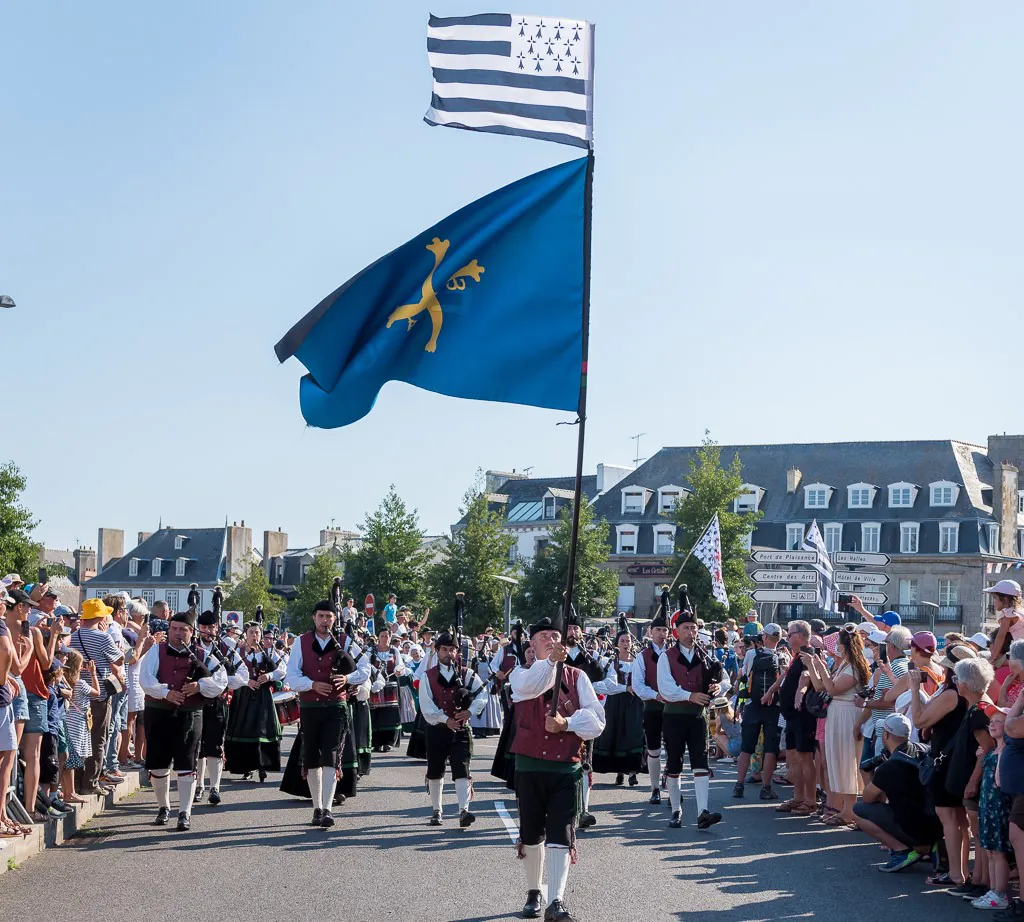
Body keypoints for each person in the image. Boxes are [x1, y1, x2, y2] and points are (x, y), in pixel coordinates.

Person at [509, 615, 605, 922]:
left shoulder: (578, 677)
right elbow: (535, 685)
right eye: (544, 637)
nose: (551, 640)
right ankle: (534, 892)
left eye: (555, 636)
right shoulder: (520, 675)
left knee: (561, 833)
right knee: (531, 832)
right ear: (532, 644)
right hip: (530, 766)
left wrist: (567, 723)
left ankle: (556, 901)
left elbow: (596, 721)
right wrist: (551, 662)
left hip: (565, 768)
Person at [139, 609, 227, 831]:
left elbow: (220, 681)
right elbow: (145, 679)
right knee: (158, 765)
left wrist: (200, 686)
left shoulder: (203, 654)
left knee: (186, 765)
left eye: (183, 630)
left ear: (191, 632)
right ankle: (163, 807)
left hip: (190, 715)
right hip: (158, 712)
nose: (177, 633)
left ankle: (184, 812)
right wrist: (165, 692)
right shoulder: (155, 652)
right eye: (174, 629)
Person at [283, 601, 367, 828]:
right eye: (321, 616)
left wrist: (348, 679)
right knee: (311, 759)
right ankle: (317, 808)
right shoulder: (301, 643)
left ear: (334, 619)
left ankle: (328, 809)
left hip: (336, 707)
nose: (325, 620)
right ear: (314, 618)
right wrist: (311, 684)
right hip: (310, 708)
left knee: (330, 757)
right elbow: (290, 677)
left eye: (329, 616)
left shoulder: (345, 641)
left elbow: (366, 669)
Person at [657, 590, 726, 830]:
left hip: (698, 718)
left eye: (694, 628)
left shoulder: (706, 656)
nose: (691, 633)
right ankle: (676, 810)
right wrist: (690, 695)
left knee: (700, 763)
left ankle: (702, 812)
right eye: (686, 628)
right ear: (676, 631)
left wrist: (718, 687)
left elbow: (724, 679)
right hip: (674, 716)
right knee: (674, 765)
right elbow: (665, 688)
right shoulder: (667, 656)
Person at [909, 644, 975, 887]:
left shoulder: (950, 694)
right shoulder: (967, 693)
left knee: (948, 817)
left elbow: (918, 719)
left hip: (946, 762)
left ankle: (956, 872)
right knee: (961, 819)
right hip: (961, 759)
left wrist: (915, 689)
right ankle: (963, 871)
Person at [853, 712, 943, 872]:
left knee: (858, 812)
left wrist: (867, 775)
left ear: (886, 734)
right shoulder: (924, 749)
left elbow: (868, 798)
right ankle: (931, 847)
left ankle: (902, 851)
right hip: (937, 823)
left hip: (912, 826)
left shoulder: (890, 766)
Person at [801, 624, 871, 826]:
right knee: (837, 759)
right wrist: (813, 666)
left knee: (848, 760)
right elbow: (822, 685)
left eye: (838, 643)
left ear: (844, 645)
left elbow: (832, 689)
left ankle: (849, 810)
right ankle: (844, 808)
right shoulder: (843, 665)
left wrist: (821, 667)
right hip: (837, 713)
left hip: (847, 714)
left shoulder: (854, 667)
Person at [419, 629, 487, 826]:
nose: (449, 653)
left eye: (452, 650)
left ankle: (463, 810)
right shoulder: (428, 676)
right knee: (435, 770)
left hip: (460, 730)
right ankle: (436, 810)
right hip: (437, 729)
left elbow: (482, 695)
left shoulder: (467, 674)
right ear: (437, 651)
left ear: (457, 652)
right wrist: (443, 719)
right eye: (445, 649)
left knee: (462, 769)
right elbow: (426, 705)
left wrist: (470, 712)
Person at [68, 598, 126, 796]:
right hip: (99, 693)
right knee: (97, 740)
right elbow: (119, 659)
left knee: (78, 740)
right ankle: (90, 783)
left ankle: (75, 783)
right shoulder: (103, 637)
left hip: (77, 693)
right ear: (101, 617)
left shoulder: (73, 636)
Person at [195, 606, 250, 802]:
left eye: (211, 627)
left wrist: (223, 684)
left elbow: (243, 676)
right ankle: (199, 785)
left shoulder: (226, 648)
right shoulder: (192, 646)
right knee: (198, 746)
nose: (207, 631)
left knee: (215, 745)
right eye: (203, 627)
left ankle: (214, 788)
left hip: (218, 703)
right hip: (195, 702)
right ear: (198, 627)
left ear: (216, 628)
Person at [562, 612, 606, 828]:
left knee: (585, 764)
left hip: (583, 719)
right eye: (570, 628)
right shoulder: (557, 656)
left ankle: (584, 810)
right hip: (558, 718)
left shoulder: (587, 657)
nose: (574, 631)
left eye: (577, 628)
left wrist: (590, 657)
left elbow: (601, 677)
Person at [224, 622, 282, 785]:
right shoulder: (238, 652)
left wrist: (269, 676)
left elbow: (283, 668)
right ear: (245, 634)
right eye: (251, 632)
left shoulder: (269, 652)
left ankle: (262, 765)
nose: (254, 636)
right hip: (244, 694)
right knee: (244, 728)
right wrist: (245, 681)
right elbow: (228, 673)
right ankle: (246, 767)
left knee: (261, 729)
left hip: (263, 695)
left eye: (257, 633)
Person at [733, 624, 784, 801]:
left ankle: (739, 785)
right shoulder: (782, 656)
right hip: (773, 706)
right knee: (771, 749)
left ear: (764, 637)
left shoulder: (750, 654)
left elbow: (744, 676)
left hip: (752, 704)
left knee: (747, 747)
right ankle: (766, 788)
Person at [592, 616, 645, 786]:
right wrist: (625, 688)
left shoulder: (638, 661)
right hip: (615, 703)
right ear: (617, 644)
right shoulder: (610, 662)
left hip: (634, 703)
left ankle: (632, 772)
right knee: (616, 735)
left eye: (628, 640)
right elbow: (606, 686)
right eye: (622, 640)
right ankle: (620, 771)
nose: (626, 643)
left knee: (633, 735)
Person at [776, 621, 818, 816]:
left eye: (790, 634)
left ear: (801, 635)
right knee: (793, 758)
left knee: (805, 758)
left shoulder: (810, 653)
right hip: (792, 716)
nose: (787, 637)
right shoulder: (797, 655)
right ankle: (798, 796)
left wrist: (801, 690)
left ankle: (810, 801)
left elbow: (807, 674)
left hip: (803, 716)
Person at [974, 708, 1014, 909]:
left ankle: (1001, 893)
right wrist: (981, 758)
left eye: (999, 721)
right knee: (989, 850)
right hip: (987, 806)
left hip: (998, 807)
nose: (993, 724)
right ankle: (993, 889)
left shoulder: (1007, 750)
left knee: (998, 852)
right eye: (992, 721)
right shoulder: (993, 751)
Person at [633, 591, 670, 805]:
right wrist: (656, 695)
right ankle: (655, 788)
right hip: (653, 707)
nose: (662, 634)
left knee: (674, 749)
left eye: (665, 630)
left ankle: (673, 784)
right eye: (658, 630)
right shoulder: (642, 656)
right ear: (650, 631)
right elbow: (638, 685)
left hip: (673, 709)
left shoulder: (675, 653)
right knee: (654, 749)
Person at [369, 627, 406, 751]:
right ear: (378, 638)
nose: (384, 638)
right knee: (376, 713)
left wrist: (399, 670)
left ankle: (388, 741)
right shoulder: (371, 651)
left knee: (390, 713)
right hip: (376, 685)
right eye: (382, 636)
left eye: (387, 636)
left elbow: (400, 664)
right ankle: (376, 742)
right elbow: (365, 664)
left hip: (391, 687)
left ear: (390, 638)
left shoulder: (394, 651)